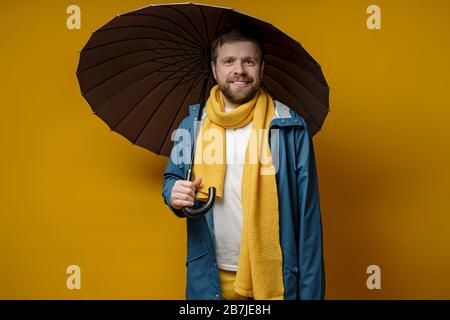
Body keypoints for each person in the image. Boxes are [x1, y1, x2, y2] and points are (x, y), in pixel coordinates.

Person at [162, 24, 325, 300]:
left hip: (273, 280)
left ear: (261, 68)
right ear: (215, 70)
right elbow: (172, 180)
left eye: (248, 61)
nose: (239, 70)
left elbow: (309, 222)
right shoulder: (192, 126)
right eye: (229, 61)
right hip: (209, 281)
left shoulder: (288, 128)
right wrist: (173, 194)